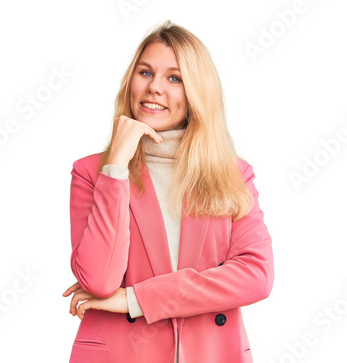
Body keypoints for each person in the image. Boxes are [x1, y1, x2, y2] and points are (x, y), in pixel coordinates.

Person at [62, 20, 274, 363]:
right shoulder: (91, 172)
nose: (154, 88)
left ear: (196, 93)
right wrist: (115, 165)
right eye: (145, 72)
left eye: (174, 78)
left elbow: (256, 277)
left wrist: (135, 299)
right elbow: (100, 281)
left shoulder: (233, 174)